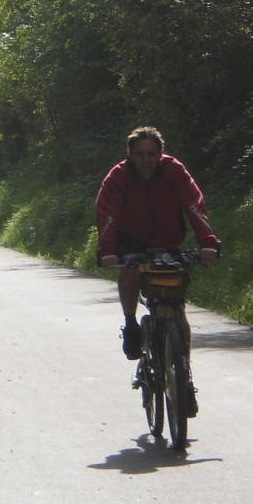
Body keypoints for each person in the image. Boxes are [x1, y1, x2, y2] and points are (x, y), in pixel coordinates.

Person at [95, 126, 218, 368]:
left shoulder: (174, 170)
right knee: (129, 273)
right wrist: (107, 251)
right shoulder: (119, 176)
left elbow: (194, 206)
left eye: (151, 154)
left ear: (160, 154)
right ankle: (130, 323)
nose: (146, 159)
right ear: (130, 154)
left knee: (177, 309)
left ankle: (183, 372)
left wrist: (208, 243)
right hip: (130, 240)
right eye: (140, 154)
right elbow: (107, 214)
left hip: (168, 240)